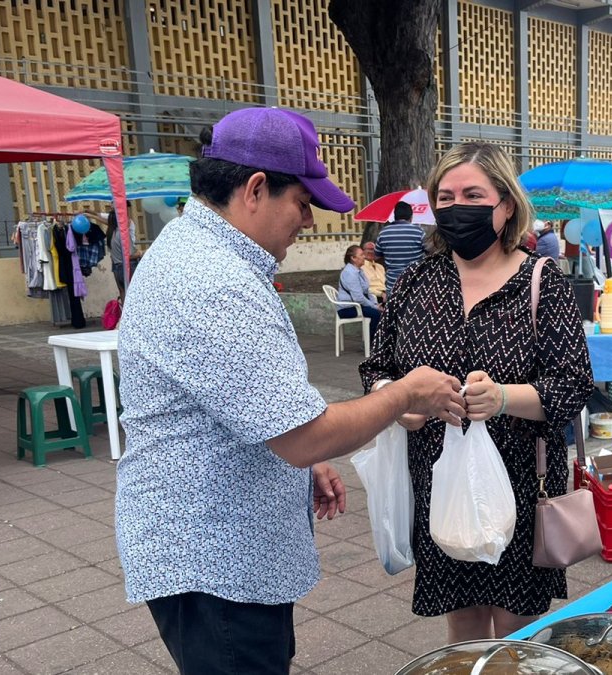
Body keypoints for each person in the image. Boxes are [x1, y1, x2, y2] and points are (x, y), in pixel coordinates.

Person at [114, 108, 465, 675]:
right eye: (303, 203)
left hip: (220, 547)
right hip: (215, 561)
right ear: (255, 189)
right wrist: (404, 393)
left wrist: (299, 464)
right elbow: (303, 437)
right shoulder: (213, 283)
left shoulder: (202, 254)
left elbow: (254, 407)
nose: (308, 220)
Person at [359, 141, 594, 643]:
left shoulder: (541, 281)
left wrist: (505, 398)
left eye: (471, 193)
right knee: (463, 625)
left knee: (515, 627)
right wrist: (401, 404)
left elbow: (572, 385)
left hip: (521, 482)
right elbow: (376, 368)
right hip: (438, 479)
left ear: (505, 204)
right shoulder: (415, 284)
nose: (455, 206)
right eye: (444, 197)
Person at [374, 201, 424, 295]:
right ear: (411, 217)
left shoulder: (383, 233)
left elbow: (376, 257)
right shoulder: (419, 232)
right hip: (415, 283)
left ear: (394, 216)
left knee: (394, 309)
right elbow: (430, 252)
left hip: (393, 284)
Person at [337, 244, 381, 342]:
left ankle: (378, 342)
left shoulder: (359, 271)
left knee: (381, 311)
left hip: (358, 305)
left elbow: (367, 291)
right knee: (376, 314)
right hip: (348, 308)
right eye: (361, 255)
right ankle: (371, 344)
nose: (364, 257)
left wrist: (375, 304)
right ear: (353, 258)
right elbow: (358, 298)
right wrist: (374, 307)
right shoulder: (350, 273)